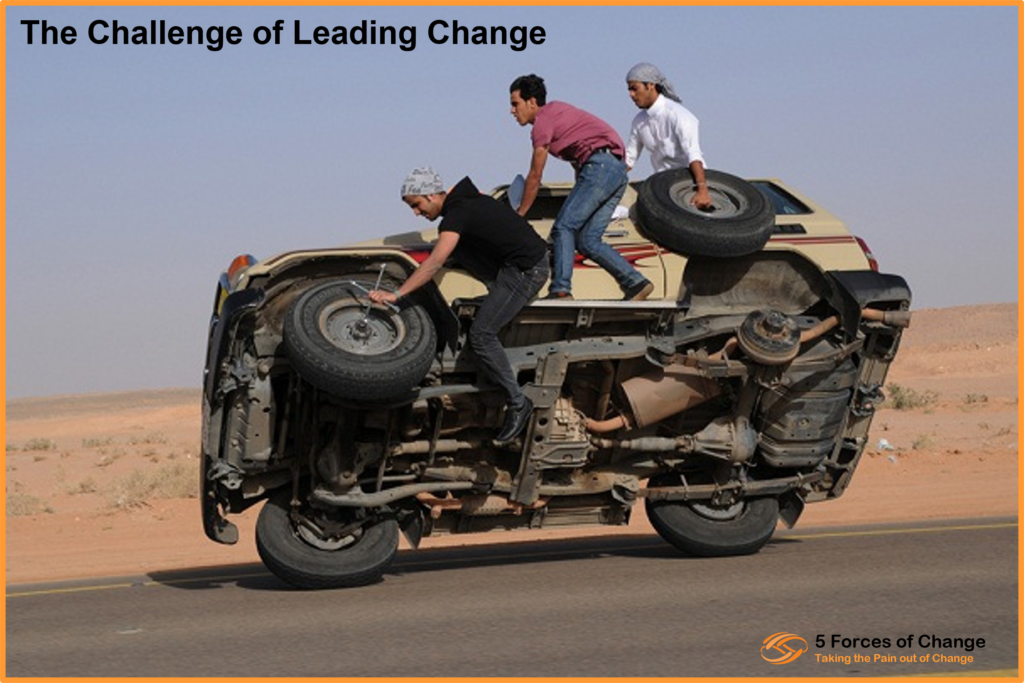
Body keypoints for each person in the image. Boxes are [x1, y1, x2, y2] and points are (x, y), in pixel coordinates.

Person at [369, 167, 549, 443]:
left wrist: (397, 294)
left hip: (526, 271)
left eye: (416, 205)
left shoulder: (458, 214)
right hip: (508, 266)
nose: (416, 213)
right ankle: (495, 295)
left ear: (430, 195)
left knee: (481, 335)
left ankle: (517, 402)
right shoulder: (469, 203)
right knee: (455, 248)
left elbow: (435, 263)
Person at [509, 74, 653, 302]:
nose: (512, 110)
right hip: (615, 171)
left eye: (515, 103)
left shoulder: (543, 122)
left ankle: (561, 290)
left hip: (601, 167)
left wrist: (520, 215)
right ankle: (636, 282)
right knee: (587, 241)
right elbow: (581, 161)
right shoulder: (558, 113)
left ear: (532, 102)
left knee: (563, 227)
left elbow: (535, 175)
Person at [624, 62, 712, 210]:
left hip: (691, 185)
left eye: (634, 88)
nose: (631, 95)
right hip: (663, 187)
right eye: (629, 90)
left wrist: (702, 190)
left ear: (650, 85)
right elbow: (629, 159)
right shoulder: (639, 121)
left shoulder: (678, 115)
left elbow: (693, 154)